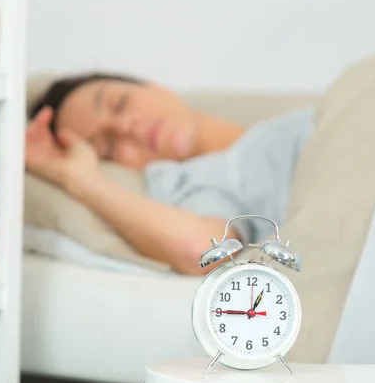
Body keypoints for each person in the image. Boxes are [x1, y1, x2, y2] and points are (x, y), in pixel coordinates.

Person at [25, 73, 314, 275]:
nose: (126, 127)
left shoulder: (275, 129)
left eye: (120, 104)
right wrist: (81, 181)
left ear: (156, 87)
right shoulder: (190, 179)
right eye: (107, 146)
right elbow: (203, 248)